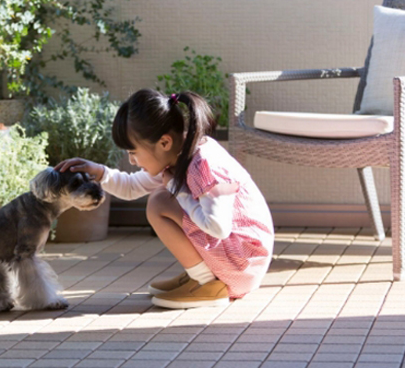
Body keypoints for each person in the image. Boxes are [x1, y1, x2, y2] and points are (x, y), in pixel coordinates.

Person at [54, 88, 274, 309]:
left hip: (243, 264)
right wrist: (101, 173)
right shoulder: (179, 154)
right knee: (162, 195)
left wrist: (178, 192)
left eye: (133, 152)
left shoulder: (205, 164)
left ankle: (208, 283)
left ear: (164, 143)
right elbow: (132, 186)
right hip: (238, 258)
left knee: (160, 201)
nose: (132, 161)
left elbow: (218, 227)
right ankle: (202, 274)